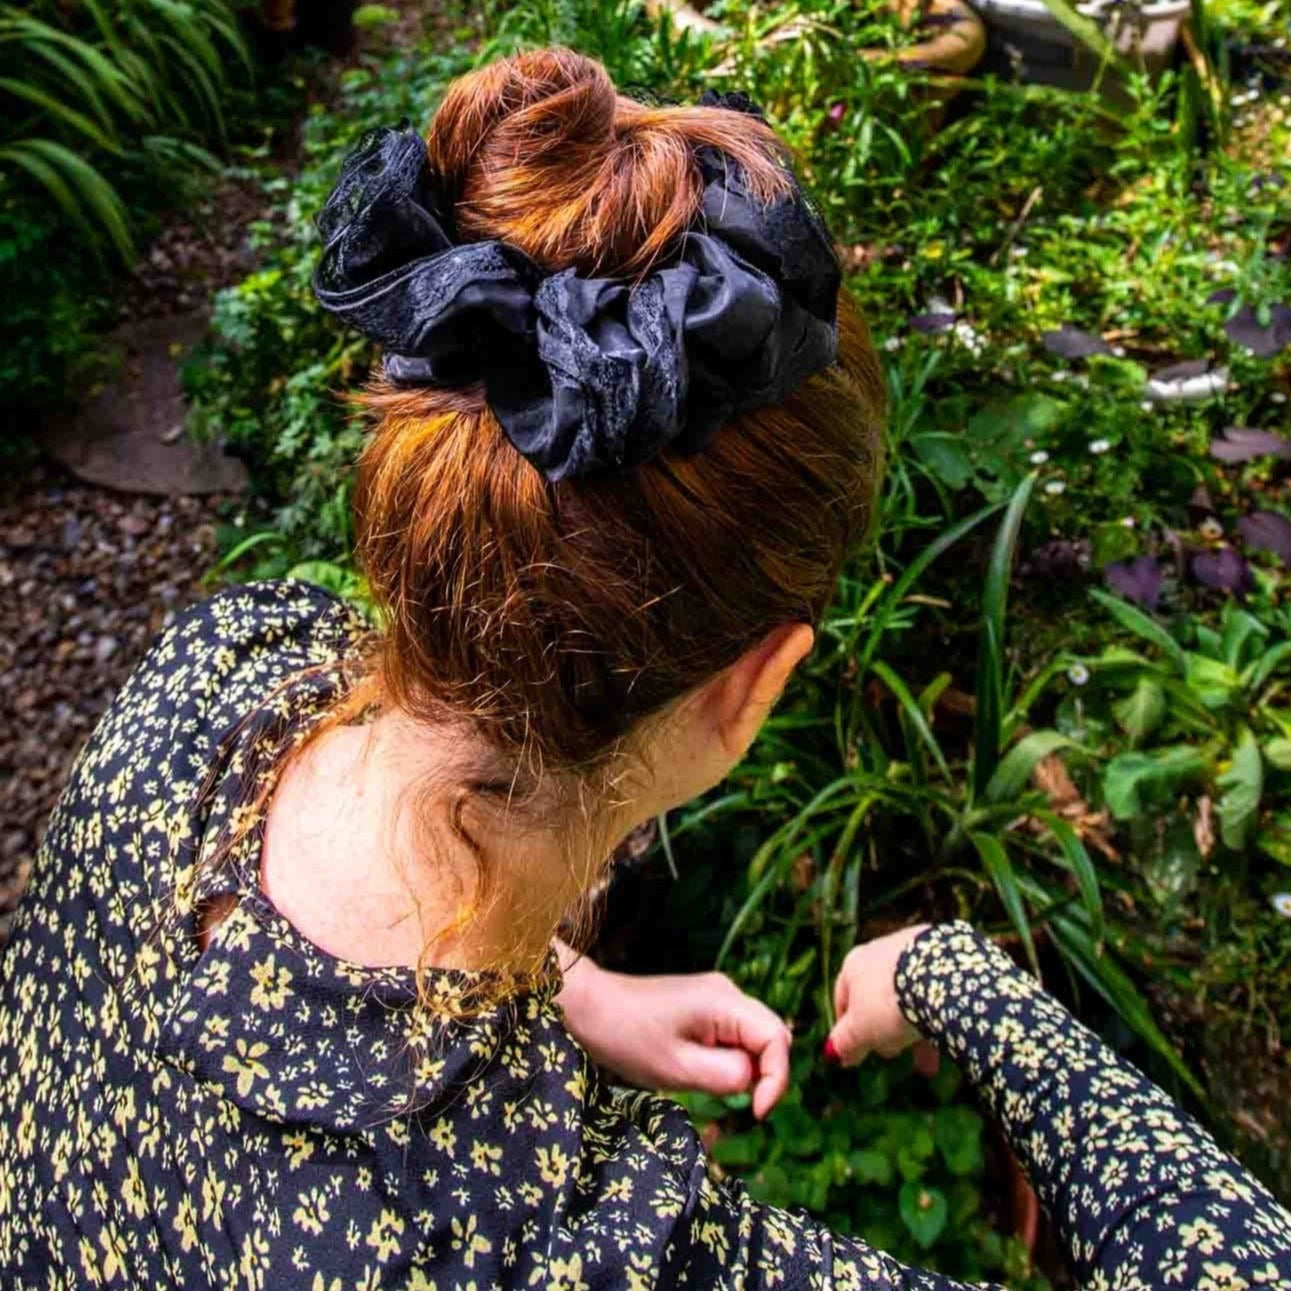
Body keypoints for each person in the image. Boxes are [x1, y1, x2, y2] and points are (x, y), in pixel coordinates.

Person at [0, 46, 1287, 1290]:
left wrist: (581, 990)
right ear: (756, 682)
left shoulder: (220, 672)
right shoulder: (603, 1254)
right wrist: (955, 982)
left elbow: (316, 981)